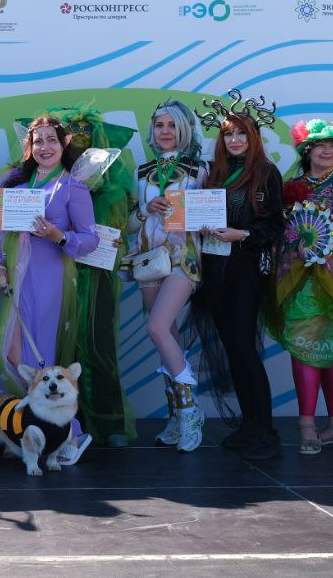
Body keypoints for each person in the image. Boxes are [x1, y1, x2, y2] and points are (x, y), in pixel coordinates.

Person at [0, 116, 99, 464]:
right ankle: (11, 430)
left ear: (63, 144)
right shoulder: (12, 182)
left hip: (47, 279)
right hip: (9, 278)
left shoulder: (73, 188)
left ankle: (66, 435)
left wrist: (59, 236)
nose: (45, 147)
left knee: (35, 356)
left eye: (51, 140)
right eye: (38, 141)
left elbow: (90, 239)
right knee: (5, 350)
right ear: (29, 146)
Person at [36, 104, 137, 448]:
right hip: (53, 270)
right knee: (55, 344)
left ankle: (109, 422)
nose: (79, 138)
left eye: (86, 132)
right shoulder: (45, 176)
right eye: (73, 132)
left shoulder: (112, 183)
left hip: (97, 274)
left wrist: (118, 238)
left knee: (98, 342)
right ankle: (60, 425)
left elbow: (124, 224)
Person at [194, 91, 284, 460]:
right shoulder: (213, 172)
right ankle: (249, 424)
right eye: (228, 134)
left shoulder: (266, 173)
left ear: (253, 137)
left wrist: (242, 234)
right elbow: (199, 214)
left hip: (246, 272)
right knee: (231, 348)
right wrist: (200, 225)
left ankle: (266, 431)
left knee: (245, 348)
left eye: (241, 134)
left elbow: (275, 226)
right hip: (214, 271)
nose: (234, 140)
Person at [267, 119, 333, 456]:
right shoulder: (289, 188)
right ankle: (307, 425)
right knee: (305, 349)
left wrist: (328, 253)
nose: (327, 151)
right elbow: (278, 232)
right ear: (306, 151)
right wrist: (300, 247)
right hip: (300, 282)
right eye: (320, 145)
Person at [127, 99, 210, 452]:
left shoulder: (200, 169)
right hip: (150, 260)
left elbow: (210, 218)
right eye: (159, 125)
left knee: (157, 327)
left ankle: (191, 412)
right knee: (167, 337)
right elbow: (130, 224)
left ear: (185, 129)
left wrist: (191, 215)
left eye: (172, 125)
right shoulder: (142, 171)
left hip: (183, 259)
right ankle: (175, 416)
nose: (165, 131)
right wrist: (146, 210)